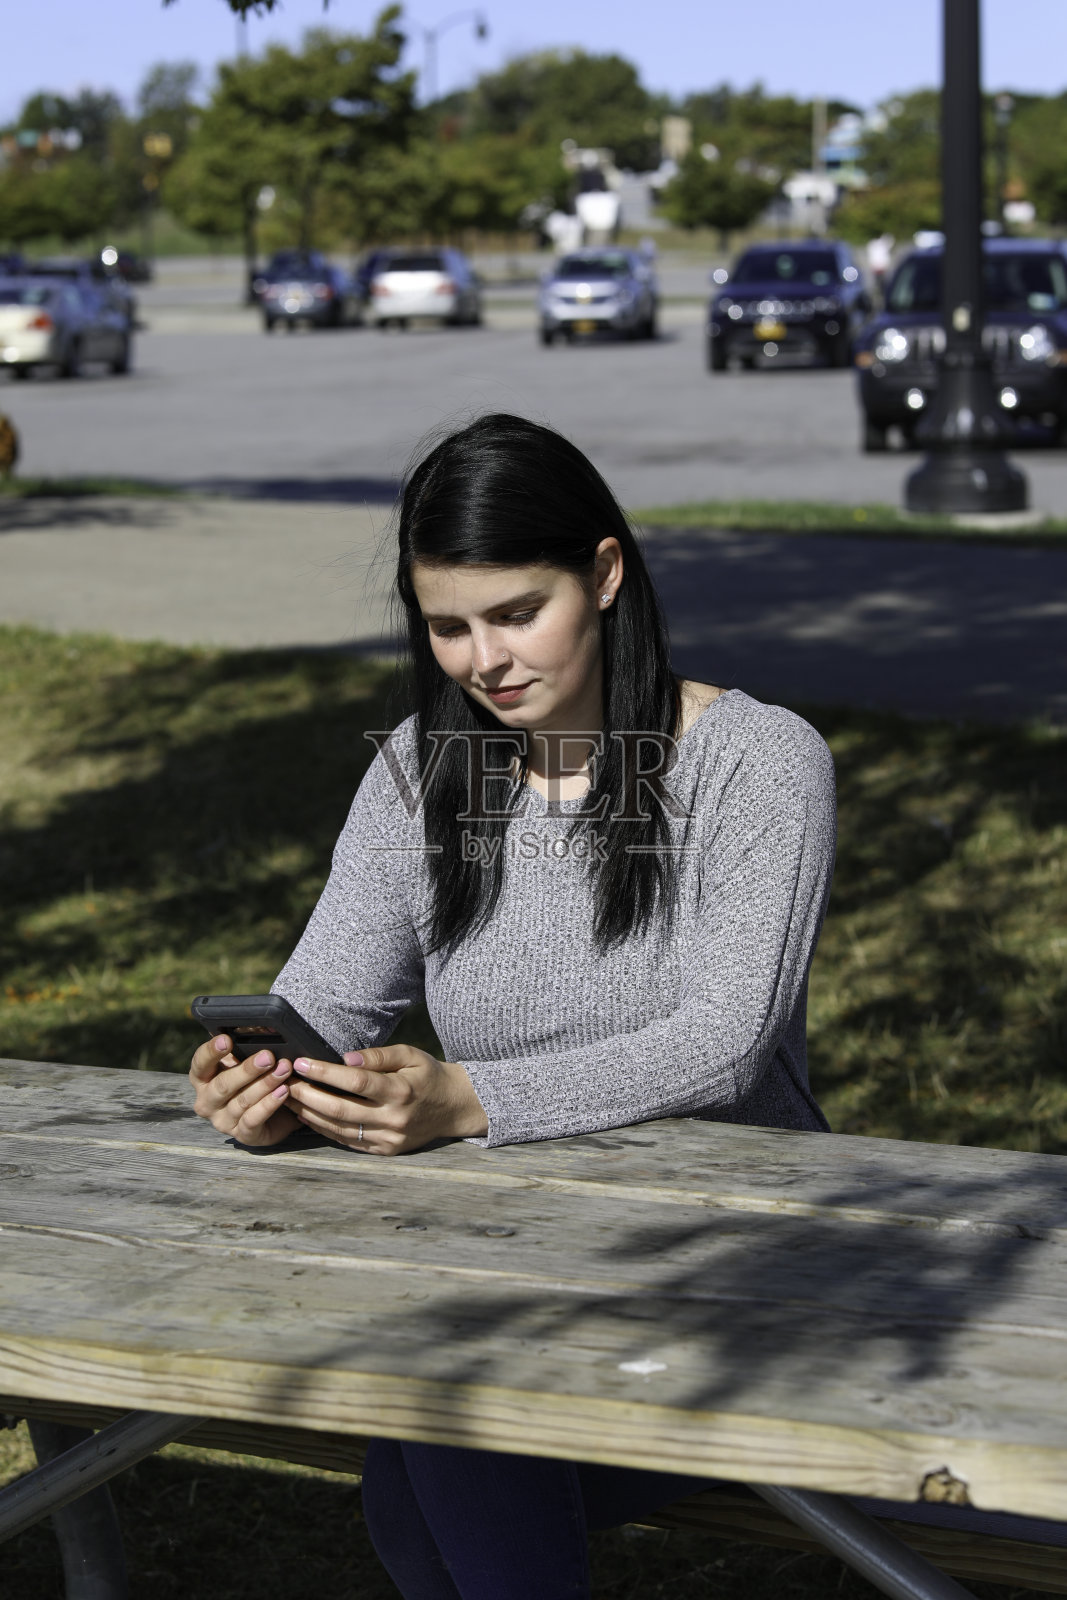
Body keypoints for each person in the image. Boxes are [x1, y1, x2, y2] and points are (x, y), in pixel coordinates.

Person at [188, 412, 837, 1600]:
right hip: (512, 1265)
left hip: (746, 1270)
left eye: (513, 613)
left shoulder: (757, 760)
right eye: (446, 626)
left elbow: (726, 1042)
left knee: (437, 1437)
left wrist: (470, 1100)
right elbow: (321, 998)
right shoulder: (418, 774)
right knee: (430, 1450)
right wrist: (269, 1080)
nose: (482, 660)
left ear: (601, 574)